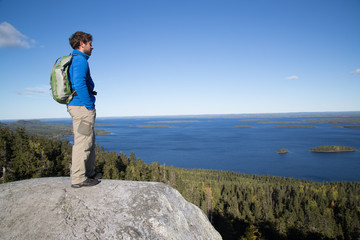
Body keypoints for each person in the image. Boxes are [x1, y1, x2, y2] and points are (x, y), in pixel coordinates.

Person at [67, 31, 101, 188]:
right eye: (90, 43)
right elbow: (79, 84)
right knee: (83, 142)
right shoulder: (80, 61)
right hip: (81, 107)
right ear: (82, 43)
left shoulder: (76, 59)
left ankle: (89, 172)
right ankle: (79, 178)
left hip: (79, 106)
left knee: (89, 140)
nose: (92, 47)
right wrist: (89, 106)